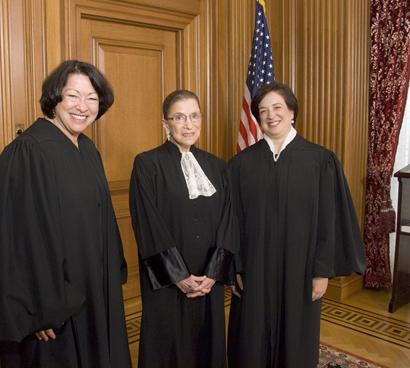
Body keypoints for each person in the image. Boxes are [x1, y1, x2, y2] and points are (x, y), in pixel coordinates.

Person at [0, 60, 131, 368]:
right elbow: (18, 241)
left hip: (92, 291)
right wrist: (38, 309)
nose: (82, 107)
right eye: (73, 95)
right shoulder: (27, 153)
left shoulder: (86, 149)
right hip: (54, 309)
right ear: (54, 97)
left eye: (91, 98)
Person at [227, 81, 366, 368]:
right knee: (251, 341)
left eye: (277, 107)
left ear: (292, 112)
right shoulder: (241, 165)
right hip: (255, 268)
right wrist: (236, 266)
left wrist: (321, 271)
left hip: (300, 271)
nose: (270, 115)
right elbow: (233, 220)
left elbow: (329, 220)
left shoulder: (320, 161)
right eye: (263, 110)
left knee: (296, 344)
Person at [129, 89, 239, 368]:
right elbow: (148, 224)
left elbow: (229, 220)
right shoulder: (147, 164)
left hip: (207, 278)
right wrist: (177, 275)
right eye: (179, 117)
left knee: (206, 345)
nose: (188, 124)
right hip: (168, 281)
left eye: (194, 116)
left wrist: (213, 274)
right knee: (168, 345)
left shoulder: (217, 166)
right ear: (165, 123)